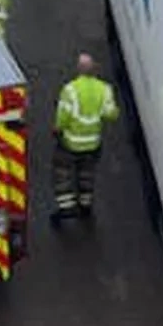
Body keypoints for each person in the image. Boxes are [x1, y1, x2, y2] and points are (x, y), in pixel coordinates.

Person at [52, 54, 119, 223]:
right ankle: (85, 206)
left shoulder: (70, 90)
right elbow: (111, 114)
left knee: (63, 175)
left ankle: (66, 209)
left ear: (79, 70)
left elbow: (63, 117)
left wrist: (57, 129)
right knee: (87, 174)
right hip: (92, 143)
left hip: (70, 143)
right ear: (94, 70)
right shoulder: (105, 89)